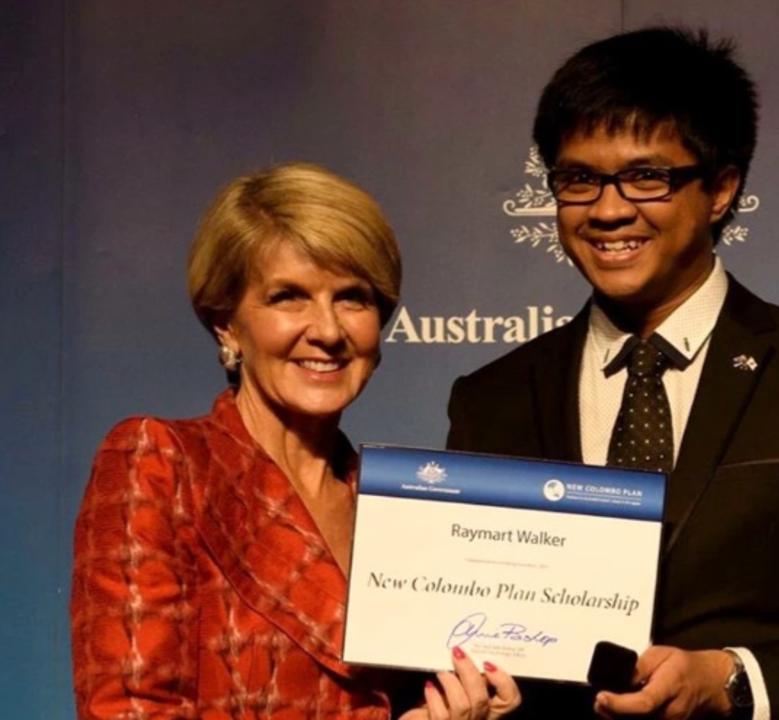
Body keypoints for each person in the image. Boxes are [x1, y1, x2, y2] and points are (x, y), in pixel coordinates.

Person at [445, 27, 779, 720]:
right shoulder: (491, 399)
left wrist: (736, 680)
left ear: (721, 188)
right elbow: (457, 639)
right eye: (579, 179)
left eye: (647, 177)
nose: (608, 210)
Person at [70, 162, 521, 719]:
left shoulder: (403, 511)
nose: (328, 331)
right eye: (288, 297)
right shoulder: (162, 463)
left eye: (353, 297)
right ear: (227, 324)